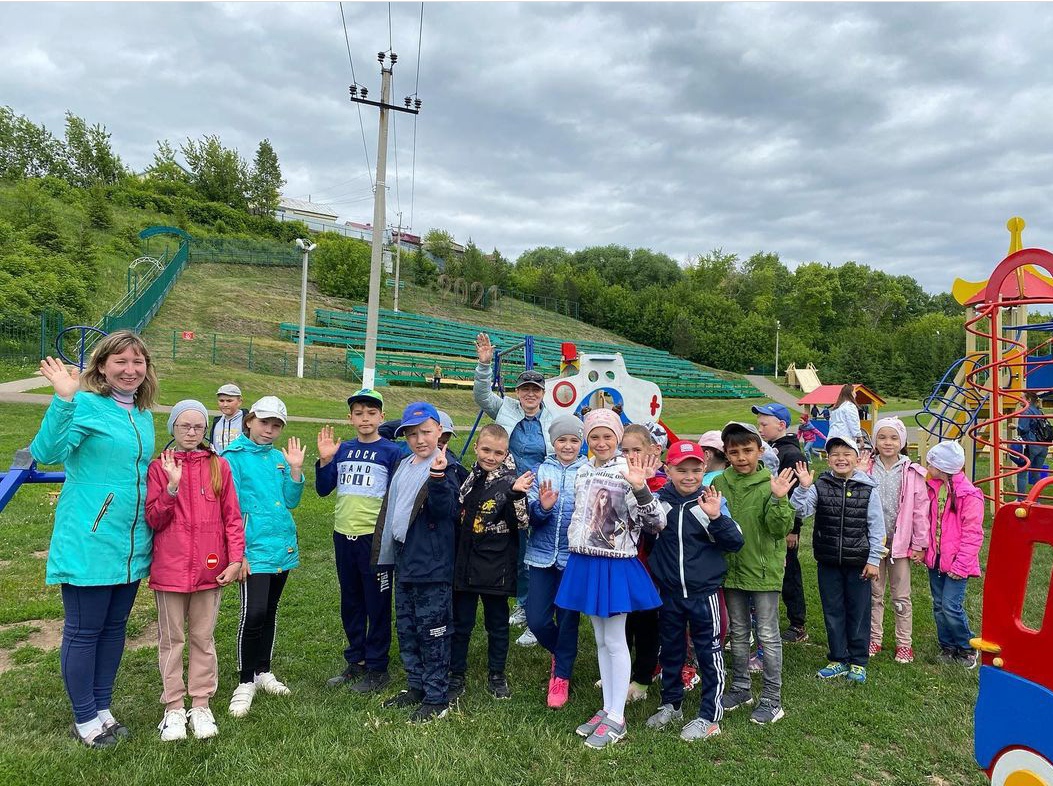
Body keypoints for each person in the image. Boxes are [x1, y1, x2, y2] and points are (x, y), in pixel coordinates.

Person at [30, 331, 158, 748]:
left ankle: (103, 708)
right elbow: (47, 452)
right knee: (85, 631)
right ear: (102, 366)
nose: (130, 370)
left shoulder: (143, 415)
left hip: (130, 542)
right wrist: (63, 399)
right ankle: (84, 718)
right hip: (91, 538)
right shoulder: (84, 404)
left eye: (137, 362)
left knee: (115, 628)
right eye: (120, 361)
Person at [555, 409, 662, 749]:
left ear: (617, 438)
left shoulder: (627, 470)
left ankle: (618, 717)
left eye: (607, 436)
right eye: (594, 436)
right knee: (601, 639)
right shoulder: (584, 470)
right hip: (586, 561)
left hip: (615, 565)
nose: (601, 442)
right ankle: (607, 708)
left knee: (616, 640)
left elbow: (656, 522)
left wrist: (641, 487)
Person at [146, 399, 245, 741]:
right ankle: (173, 706)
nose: (191, 432)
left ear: (206, 429)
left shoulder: (219, 466)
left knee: (203, 638)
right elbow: (154, 519)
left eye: (198, 426)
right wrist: (171, 488)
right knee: (172, 640)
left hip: (209, 569)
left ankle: (201, 703)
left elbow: (232, 516)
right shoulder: (159, 467)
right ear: (172, 427)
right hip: (170, 569)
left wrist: (235, 559)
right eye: (184, 426)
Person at [645, 440, 744, 743]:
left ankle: (710, 716)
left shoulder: (710, 501)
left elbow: (735, 542)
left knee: (709, 651)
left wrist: (715, 518)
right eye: (682, 470)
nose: (689, 476)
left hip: (704, 593)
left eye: (696, 470)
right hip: (670, 593)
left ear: (704, 469)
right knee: (671, 649)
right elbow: (646, 533)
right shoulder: (659, 503)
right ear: (668, 470)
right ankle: (671, 704)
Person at [373, 402, 462, 723]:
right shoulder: (405, 464)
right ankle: (416, 685)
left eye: (426, 432)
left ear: (440, 431)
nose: (420, 439)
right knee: (408, 627)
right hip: (405, 559)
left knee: (433, 630)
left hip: (432, 565)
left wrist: (437, 477)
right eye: (412, 434)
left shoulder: (448, 467)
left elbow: (446, 510)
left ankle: (436, 696)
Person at [316, 388, 403, 694]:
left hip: (374, 540)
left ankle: (378, 667)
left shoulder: (392, 452)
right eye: (358, 413)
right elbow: (323, 489)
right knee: (351, 601)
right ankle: (357, 660)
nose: (365, 418)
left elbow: (397, 496)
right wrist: (326, 460)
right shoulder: (343, 449)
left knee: (376, 603)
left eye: (371, 413)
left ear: (382, 416)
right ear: (350, 418)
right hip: (344, 535)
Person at [222, 396, 305, 718]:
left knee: (270, 610)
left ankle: (263, 670)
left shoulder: (278, 459)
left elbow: (291, 500)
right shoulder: (232, 458)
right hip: (252, 550)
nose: (269, 430)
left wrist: (295, 470)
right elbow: (228, 508)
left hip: (280, 546)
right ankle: (245, 680)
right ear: (249, 421)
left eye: (276, 425)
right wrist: (237, 553)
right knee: (253, 612)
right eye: (264, 422)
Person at [711, 422, 795, 725]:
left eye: (748, 450)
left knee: (768, 634)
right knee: (738, 632)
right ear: (726, 454)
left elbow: (779, 528)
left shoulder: (770, 483)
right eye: (734, 452)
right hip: (731, 571)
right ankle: (741, 688)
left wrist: (779, 499)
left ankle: (772, 697)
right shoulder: (719, 482)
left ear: (760, 451)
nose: (742, 457)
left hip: (762, 572)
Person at [474, 334, 555, 640]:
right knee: (518, 552)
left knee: (538, 553)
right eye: (525, 389)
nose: (530, 394)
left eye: (535, 389)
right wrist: (484, 365)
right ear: (517, 392)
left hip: (540, 492)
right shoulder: (505, 408)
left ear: (543, 393)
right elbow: (482, 395)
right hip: (508, 489)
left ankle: (539, 612)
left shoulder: (554, 419)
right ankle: (523, 604)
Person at [790, 428, 886, 684]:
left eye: (846, 454)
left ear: (856, 458)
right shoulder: (820, 486)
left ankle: (858, 661)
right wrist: (803, 487)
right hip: (829, 560)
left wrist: (873, 560)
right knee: (833, 610)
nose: (841, 459)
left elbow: (877, 527)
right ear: (828, 458)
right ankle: (838, 658)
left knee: (858, 611)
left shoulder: (868, 488)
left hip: (859, 563)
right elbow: (800, 511)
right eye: (835, 454)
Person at [449, 424, 534, 702]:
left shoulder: (512, 481)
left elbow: (523, 522)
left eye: (498, 453)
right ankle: (456, 673)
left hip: (496, 567)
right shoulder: (469, 477)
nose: (491, 457)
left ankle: (497, 674)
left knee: (497, 625)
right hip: (465, 564)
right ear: (476, 447)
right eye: (486, 450)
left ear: (506, 454)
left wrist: (516, 494)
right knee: (461, 623)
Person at [525, 415, 588, 709]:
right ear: (553, 442)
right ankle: (562, 652)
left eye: (574, 440)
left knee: (567, 619)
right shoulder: (540, 470)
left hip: (573, 558)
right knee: (537, 620)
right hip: (541, 556)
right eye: (562, 440)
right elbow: (530, 516)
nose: (568, 445)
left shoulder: (587, 471)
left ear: (581, 442)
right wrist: (543, 508)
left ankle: (561, 676)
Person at [862, 417, 929, 664]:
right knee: (874, 594)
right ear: (875, 441)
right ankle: (874, 638)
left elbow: (920, 510)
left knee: (901, 597)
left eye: (893, 438)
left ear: (902, 441)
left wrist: (919, 544)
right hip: (873, 544)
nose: (887, 442)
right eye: (882, 437)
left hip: (900, 545)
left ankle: (904, 644)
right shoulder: (866, 468)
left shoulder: (912, 472)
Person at [923, 441, 985, 668]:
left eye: (931, 463)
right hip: (936, 560)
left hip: (958, 563)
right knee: (939, 605)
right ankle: (947, 646)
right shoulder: (933, 488)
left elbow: (973, 535)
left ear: (943, 467)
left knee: (950, 605)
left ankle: (966, 647)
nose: (928, 467)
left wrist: (961, 566)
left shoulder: (969, 496)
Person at [752, 403, 810, 646]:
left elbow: (795, 495)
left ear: (781, 425)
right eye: (758, 424)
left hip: (785, 527)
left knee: (789, 574)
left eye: (764, 424)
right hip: (768, 523)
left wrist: (793, 529)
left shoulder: (791, 455)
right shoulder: (770, 450)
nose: (760, 428)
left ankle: (797, 624)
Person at [619, 423, 666, 704]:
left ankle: (643, 676)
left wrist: (643, 487)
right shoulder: (616, 477)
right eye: (624, 450)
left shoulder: (662, 484)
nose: (630, 456)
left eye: (636, 449)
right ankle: (621, 671)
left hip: (648, 569)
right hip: (621, 564)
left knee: (646, 624)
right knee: (622, 621)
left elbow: (656, 525)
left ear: (653, 450)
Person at [1015, 391, 1050, 494]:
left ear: (1028, 400)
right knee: (1036, 473)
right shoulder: (1039, 411)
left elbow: (1023, 429)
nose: (1019, 399)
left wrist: (1015, 427)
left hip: (1031, 445)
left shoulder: (1026, 411)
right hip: (1043, 446)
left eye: (1022, 398)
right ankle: (1036, 498)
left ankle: (1020, 498)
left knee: (1022, 472)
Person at [210, 383, 248, 453]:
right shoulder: (216, 422)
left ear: (239, 402)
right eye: (221, 401)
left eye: (229, 401)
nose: (225, 404)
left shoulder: (247, 421)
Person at [829, 384, 864, 449]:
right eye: (854, 392)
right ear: (850, 393)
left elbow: (830, 423)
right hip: (845, 438)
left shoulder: (836, 407)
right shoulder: (850, 406)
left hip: (832, 437)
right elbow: (853, 423)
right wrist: (860, 437)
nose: (855, 394)